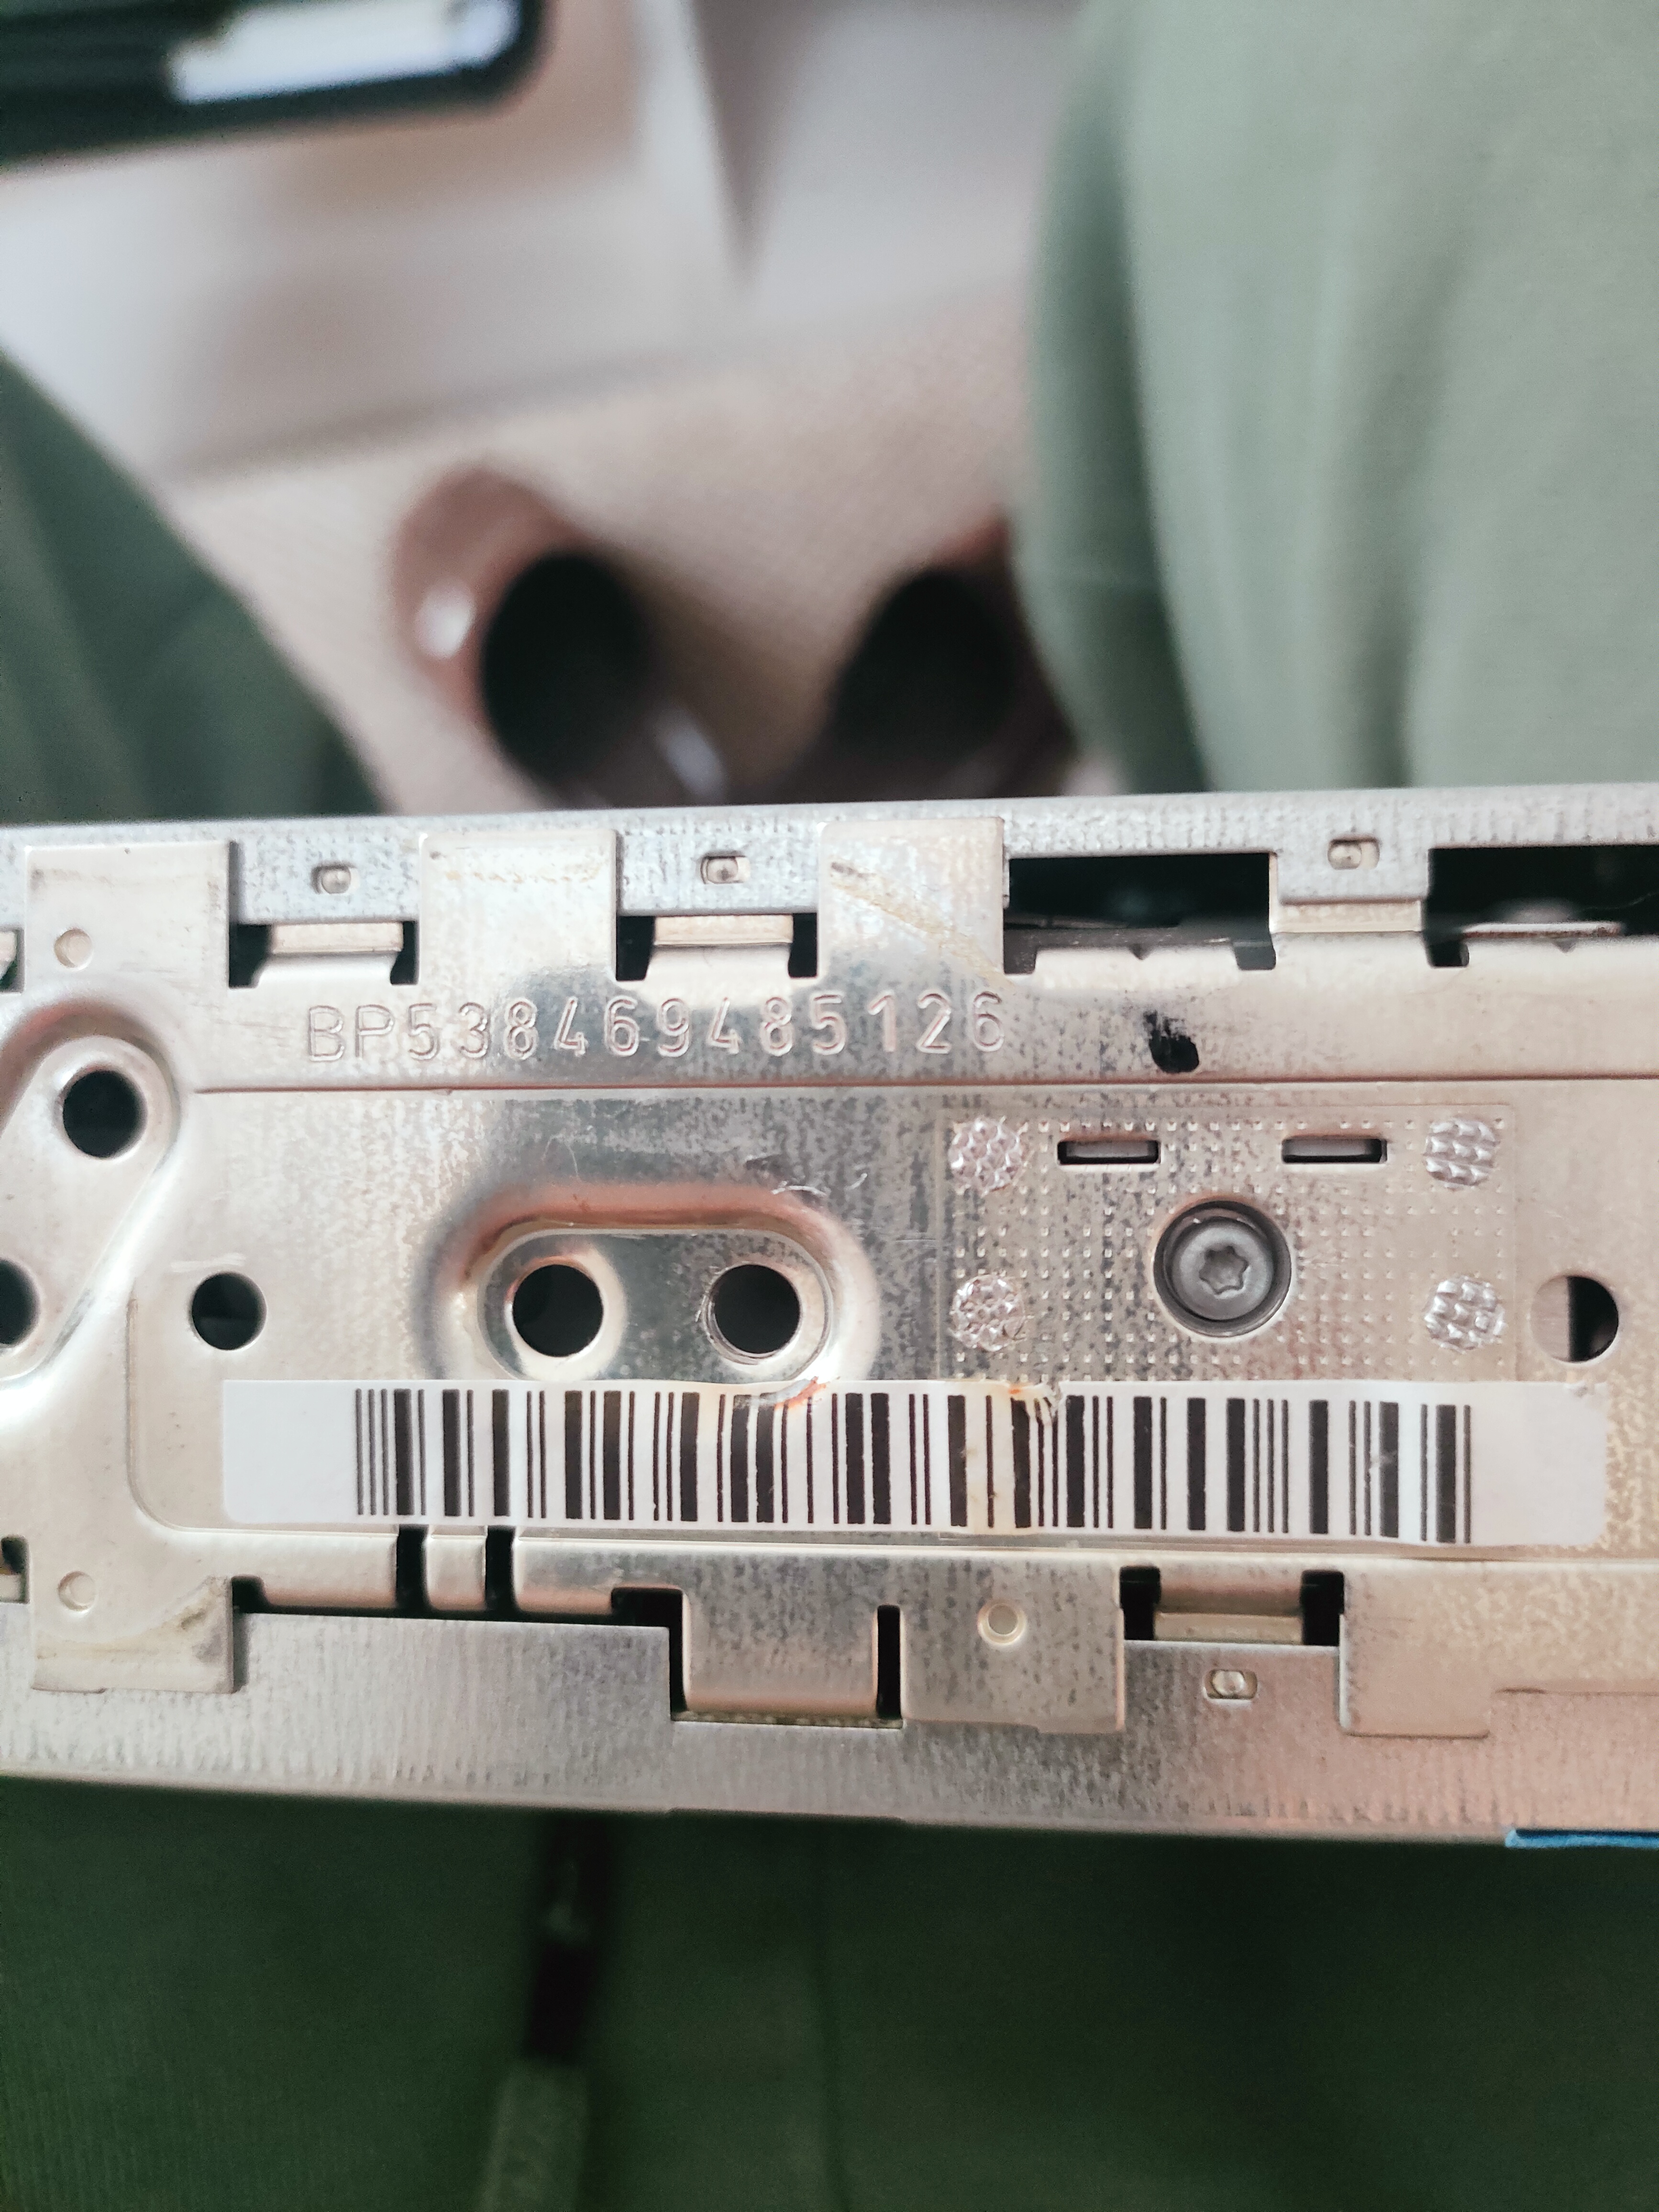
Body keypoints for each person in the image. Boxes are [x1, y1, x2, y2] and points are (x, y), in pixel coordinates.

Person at [7, 3, 1659, 2200]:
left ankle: (723, 881)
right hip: (1342, 2024)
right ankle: (880, 793)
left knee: (278, 979)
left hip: (233, 1944)